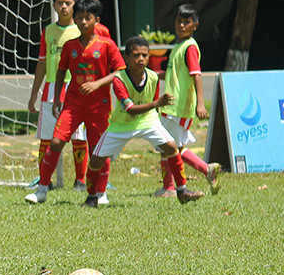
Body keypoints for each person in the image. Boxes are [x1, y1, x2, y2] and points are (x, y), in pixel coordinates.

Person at [26, 0, 124, 205]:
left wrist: (98, 84)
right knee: (55, 142)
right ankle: (42, 189)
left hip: (99, 107)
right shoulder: (70, 45)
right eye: (79, 18)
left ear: (96, 20)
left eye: (88, 18)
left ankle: (101, 192)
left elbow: (119, 72)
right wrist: (57, 98)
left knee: (99, 149)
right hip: (73, 104)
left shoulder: (107, 45)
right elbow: (61, 70)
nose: (83, 22)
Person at [85, 36, 203, 207]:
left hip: (147, 120)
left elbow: (153, 103)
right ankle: (91, 197)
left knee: (171, 147)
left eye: (144, 55)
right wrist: (157, 103)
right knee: (96, 159)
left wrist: (156, 108)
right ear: (126, 58)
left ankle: (182, 190)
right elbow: (131, 108)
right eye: (136, 55)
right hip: (122, 124)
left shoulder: (153, 77)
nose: (141, 59)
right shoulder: (119, 79)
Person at [155, 4, 219, 197]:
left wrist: (200, 103)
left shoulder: (190, 47)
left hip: (179, 107)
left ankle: (192, 176)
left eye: (187, 22)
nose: (182, 25)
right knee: (167, 146)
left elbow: (196, 75)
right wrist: (157, 75)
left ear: (195, 25)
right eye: (179, 21)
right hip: (170, 106)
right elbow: (176, 74)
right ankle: (173, 185)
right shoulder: (178, 46)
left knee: (170, 146)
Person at [26, 0, 83, 191]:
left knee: (78, 136)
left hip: (75, 88)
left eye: (68, 3)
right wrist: (34, 94)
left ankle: (81, 180)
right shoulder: (48, 31)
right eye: (60, 3)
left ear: (74, 5)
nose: (64, 7)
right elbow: (41, 63)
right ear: (54, 6)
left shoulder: (80, 30)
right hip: (51, 90)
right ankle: (45, 180)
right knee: (47, 137)